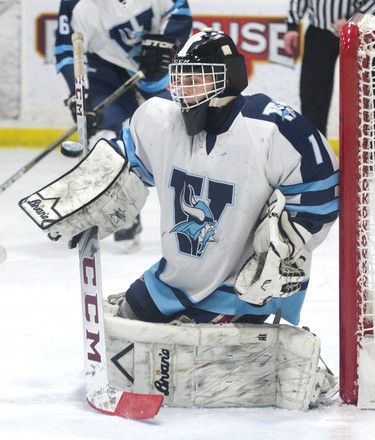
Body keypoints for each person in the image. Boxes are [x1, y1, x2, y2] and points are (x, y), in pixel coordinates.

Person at [103, 29, 339, 326]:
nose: (185, 90)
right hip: (174, 277)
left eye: (196, 80)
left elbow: (322, 189)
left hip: (240, 286)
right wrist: (94, 192)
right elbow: (125, 165)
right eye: (182, 80)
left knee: (187, 359)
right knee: (129, 323)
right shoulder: (161, 121)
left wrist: (285, 246)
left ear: (227, 77)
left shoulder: (270, 127)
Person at [54, 0, 192, 252]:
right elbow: (66, 50)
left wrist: (167, 41)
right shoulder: (76, 5)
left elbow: (179, 10)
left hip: (152, 68)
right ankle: (116, 210)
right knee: (102, 133)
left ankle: (193, 215)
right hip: (101, 69)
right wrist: (78, 91)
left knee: (179, 132)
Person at [283, 0, 375, 137]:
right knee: (312, 95)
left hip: (359, 34)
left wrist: (354, 20)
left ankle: (365, 145)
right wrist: (292, 25)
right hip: (319, 32)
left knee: (364, 91)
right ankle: (316, 146)